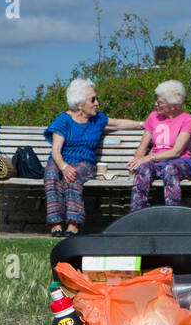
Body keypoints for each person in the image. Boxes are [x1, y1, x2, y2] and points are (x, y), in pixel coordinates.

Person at [44, 80, 143, 236]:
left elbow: (117, 124)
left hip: (85, 162)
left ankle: (73, 224)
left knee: (72, 177)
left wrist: (143, 124)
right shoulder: (64, 120)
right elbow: (56, 151)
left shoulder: (97, 119)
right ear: (79, 104)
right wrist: (63, 166)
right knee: (51, 175)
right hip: (61, 160)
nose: (97, 103)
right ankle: (55, 223)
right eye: (93, 99)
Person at [127, 82, 191, 212]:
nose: (156, 104)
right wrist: (136, 162)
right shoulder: (153, 117)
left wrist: (150, 157)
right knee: (143, 169)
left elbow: (176, 152)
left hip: (180, 162)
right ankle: (135, 214)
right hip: (157, 163)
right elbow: (143, 147)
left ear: (174, 105)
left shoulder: (187, 119)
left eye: (160, 102)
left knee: (170, 169)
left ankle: (172, 215)